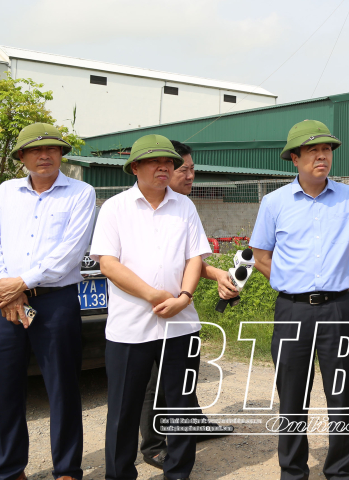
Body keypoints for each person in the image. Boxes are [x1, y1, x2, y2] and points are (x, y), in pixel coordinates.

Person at [249, 119, 349, 480]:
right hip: (291, 310)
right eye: (312, 150)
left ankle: (340, 472)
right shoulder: (274, 203)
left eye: (326, 150)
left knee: (343, 398)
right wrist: (290, 282)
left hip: (338, 309)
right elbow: (260, 255)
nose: (321, 156)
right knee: (292, 398)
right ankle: (293, 472)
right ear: (294, 158)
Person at [91, 134, 212, 480]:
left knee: (180, 407)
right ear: (135, 167)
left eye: (169, 162)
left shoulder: (185, 207)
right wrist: (152, 295)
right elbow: (108, 264)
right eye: (155, 162)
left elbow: (194, 258)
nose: (165, 167)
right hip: (129, 327)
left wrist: (184, 298)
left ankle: (178, 472)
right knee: (123, 410)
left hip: (181, 324)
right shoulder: (115, 208)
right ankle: (119, 474)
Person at [0, 122, 96, 480]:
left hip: (55, 301)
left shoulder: (81, 193)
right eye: (34, 150)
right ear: (22, 157)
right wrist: (4, 287)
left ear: (61, 154)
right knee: (5, 387)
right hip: (4, 304)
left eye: (51, 149)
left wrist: (21, 283)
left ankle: (66, 469)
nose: (43, 155)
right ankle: (8, 469)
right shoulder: (5, 192)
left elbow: (70, 252)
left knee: (62, 387)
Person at [137, 140, 238, 470]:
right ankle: (153, 444)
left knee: (184, 375)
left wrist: (218, 274)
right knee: (159, 383)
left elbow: (192, 258)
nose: (190, 175)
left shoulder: (184, 207)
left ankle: (191, 425)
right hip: (151, 311)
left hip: (183, 310)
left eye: (193, 168)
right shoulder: (145, 207)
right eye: (184, 168)